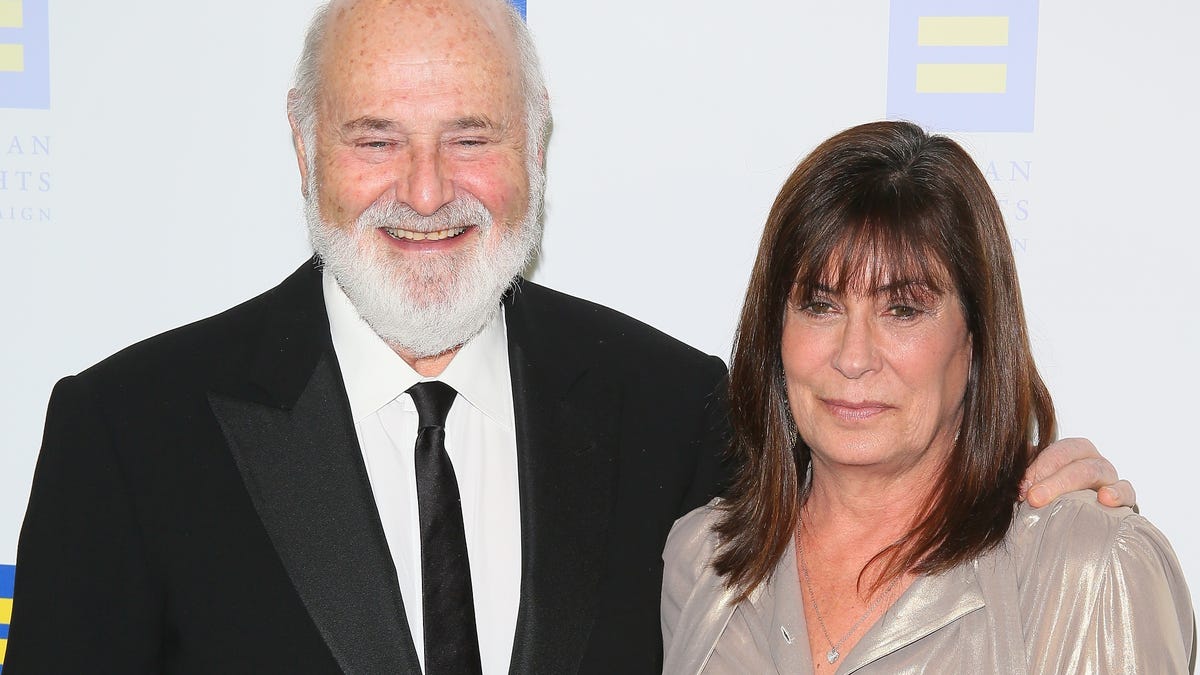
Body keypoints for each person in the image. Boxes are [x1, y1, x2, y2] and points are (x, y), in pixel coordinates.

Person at [6, 3, 1132, 673]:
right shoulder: (130, 434)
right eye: (375, 139)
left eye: (472, 136)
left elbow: (875, 501)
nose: (427, 191)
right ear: (304, 153)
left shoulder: (674, 410)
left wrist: (1029, 498)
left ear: (537, 150)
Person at [661, 121, 1194, 673]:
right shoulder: (701, 562)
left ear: (976, 337)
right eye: (821, 306)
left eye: (903, 310)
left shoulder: (1087, 568)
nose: (853, 357)